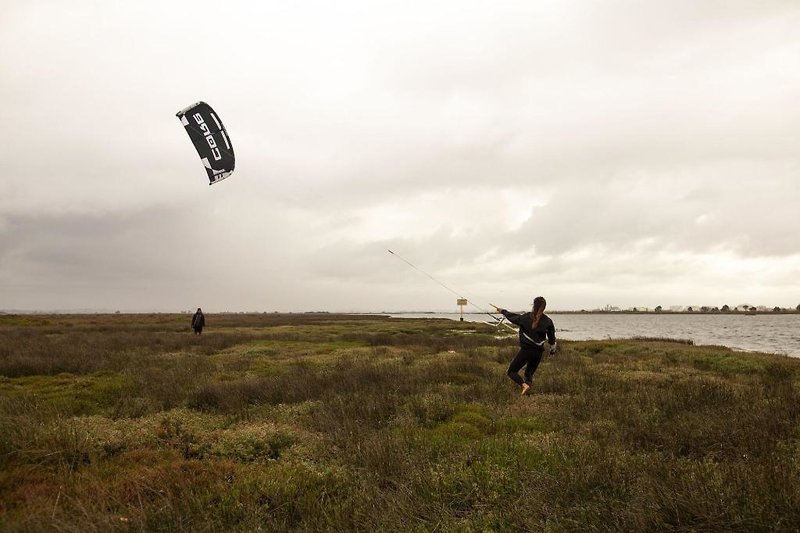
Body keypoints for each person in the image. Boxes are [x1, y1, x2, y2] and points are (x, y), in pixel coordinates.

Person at [494, 296, 556, 395]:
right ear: (544, 307)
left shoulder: (525, 317)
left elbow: (512, 316)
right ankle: (527, 393)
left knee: (512, 372)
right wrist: (552, 352)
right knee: (529, 374)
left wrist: (502, 311)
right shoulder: (548, 321)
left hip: (526, 351)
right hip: (538, 353)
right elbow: (552, 340)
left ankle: (524, 385)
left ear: (533, 305)